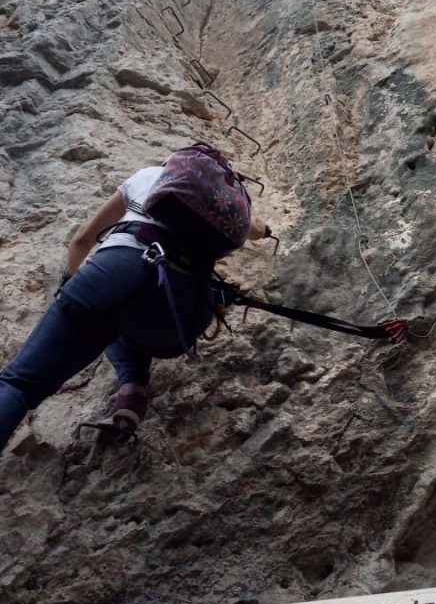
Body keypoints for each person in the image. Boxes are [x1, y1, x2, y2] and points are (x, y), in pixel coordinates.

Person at [0, 147, 271, 454]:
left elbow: (81, 240)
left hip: (118, 267)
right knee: (124, 317)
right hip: (184, 309)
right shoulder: (221, 200)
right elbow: (256, 228)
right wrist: (266, 232)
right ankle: (132, 392)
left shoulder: (146, 176)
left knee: (19, 384)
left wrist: (71, 283)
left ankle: (125, 380)